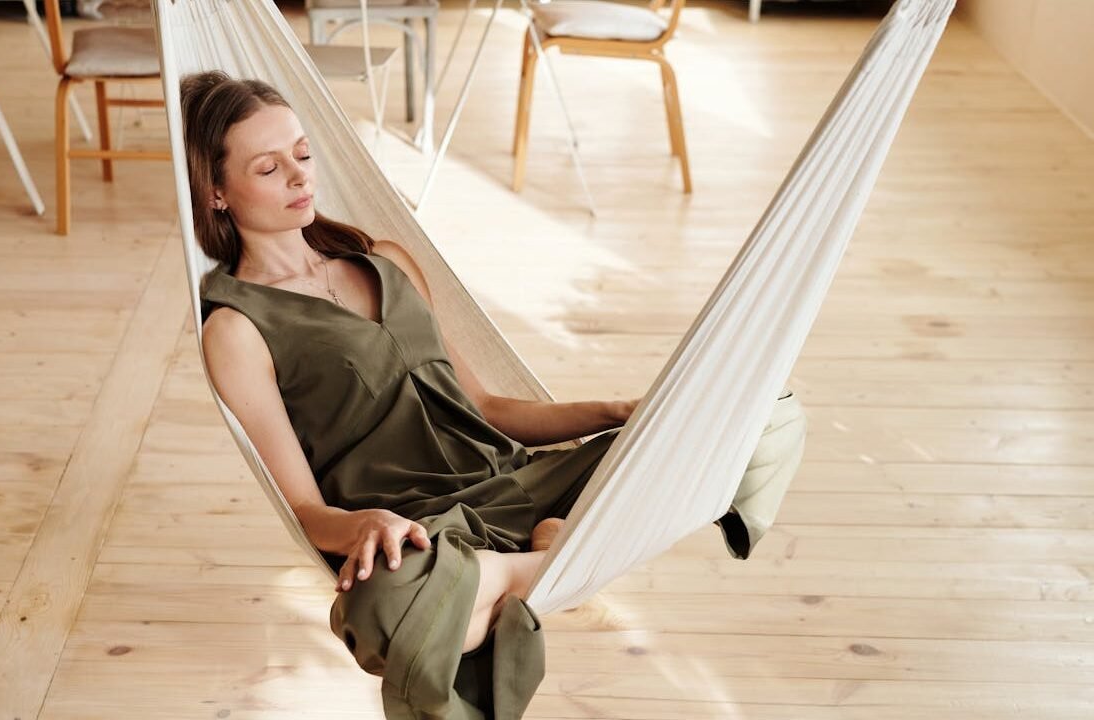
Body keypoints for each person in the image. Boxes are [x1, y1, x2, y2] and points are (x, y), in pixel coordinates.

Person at [180, 70, 807, 719]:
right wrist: (366, 523)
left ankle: (504, 581)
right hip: (419, 532)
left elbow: (484, 409)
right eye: (268, 168)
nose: (300, 176)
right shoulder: (236, 329)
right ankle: (539, 568)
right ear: (217, 192)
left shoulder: (384, 260)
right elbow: (307, 509)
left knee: (752, 411)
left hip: (521, 484)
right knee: (382, 612)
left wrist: (619, 412)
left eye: (303, 155)